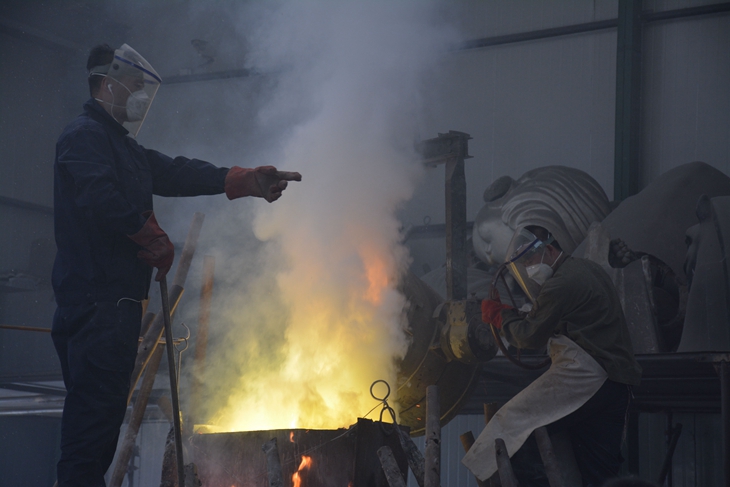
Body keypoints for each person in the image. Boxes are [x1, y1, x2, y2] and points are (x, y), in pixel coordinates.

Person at [51, 43, 301, 487]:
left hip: (114, 309)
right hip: (96, 308)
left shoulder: (121, 147)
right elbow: (97, 197)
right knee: (88, 441)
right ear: (107, 84)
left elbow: (176, 172)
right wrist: (147, 233)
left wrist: (243, 180)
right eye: (132, 85)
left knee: (98, 435)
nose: (139, 95)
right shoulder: (84, 136)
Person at [462, 225, 641, 487]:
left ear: (548, 249)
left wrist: (501, 315)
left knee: (514, 429)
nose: (529, 268)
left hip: (587, 377)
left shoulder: (561, 283)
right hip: (616, 384)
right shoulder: (586, 269)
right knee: (600, 473)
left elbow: (527, 336)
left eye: (530, 260)